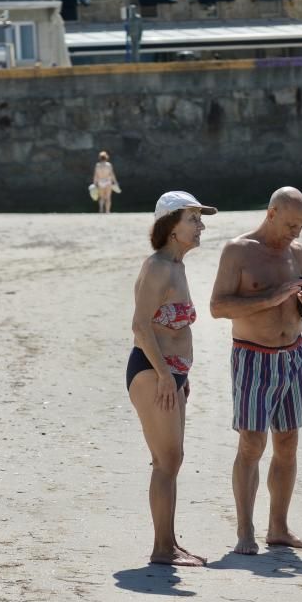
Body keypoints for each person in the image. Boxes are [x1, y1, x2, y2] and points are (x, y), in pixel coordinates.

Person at [210, 187, 302, 555]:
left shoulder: (300, 253)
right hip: (252, 356)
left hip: (294, 355)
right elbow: (218, 307)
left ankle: (278, 527)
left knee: (288, 442)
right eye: (292, 224)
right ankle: (245, 531)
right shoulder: (239, 250)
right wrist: (271, 298)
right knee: (251, 443)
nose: (297, 232)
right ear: (271, 213)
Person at [127, 191, 218, 567]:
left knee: (172, 459)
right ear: (171, 227)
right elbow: (140, 327)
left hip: (171, 372)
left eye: (200, 219)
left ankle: (169, 543)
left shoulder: (177, 266)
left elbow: (175, 330)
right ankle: (162, 549)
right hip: (152, 371)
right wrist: (166, 375)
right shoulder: (158, 267)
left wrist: (182, 375)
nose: (201, 226)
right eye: (193, 219)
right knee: (167, 460)